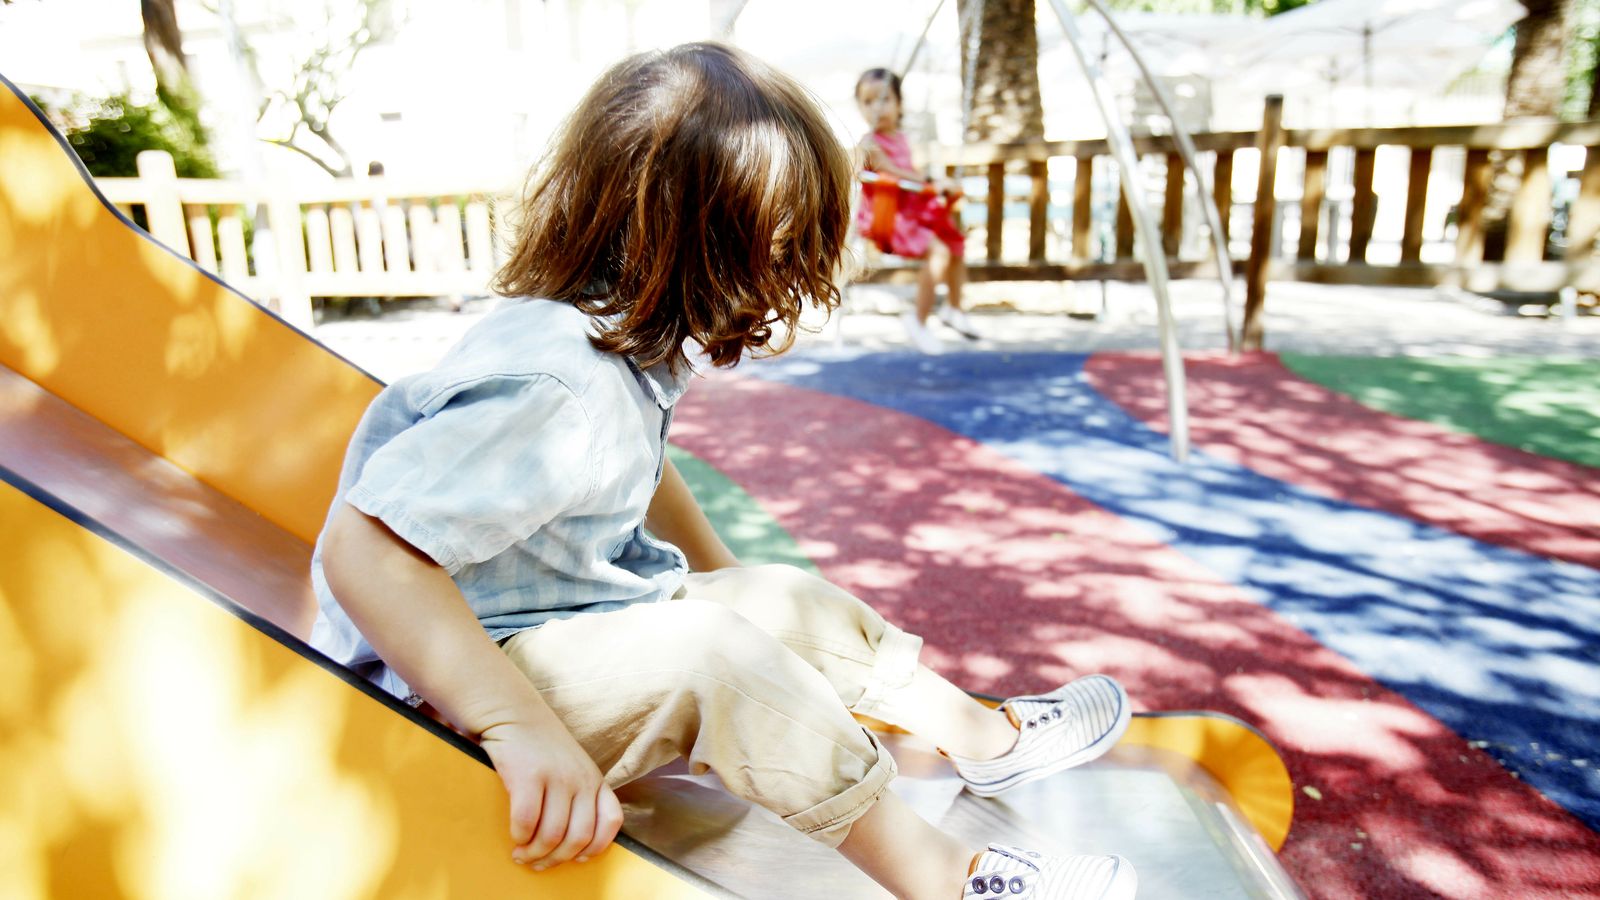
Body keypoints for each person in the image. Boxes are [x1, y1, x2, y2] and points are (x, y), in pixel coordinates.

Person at [311, 43, 1136, 900]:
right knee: (715, 655)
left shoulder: (610, 340)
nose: (784, 274)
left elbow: (636, 461)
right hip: (437, 701)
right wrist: (515, 726)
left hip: (543, 624)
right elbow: (366, 550)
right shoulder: (557, 384)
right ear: (689, 240)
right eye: (773, 249)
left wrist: (741, 593)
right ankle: (949, 880)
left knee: (770, 604)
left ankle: (985, 742)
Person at [855, 67, 977, 355]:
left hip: (909, 213)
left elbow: (911, 173)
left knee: (955, 244)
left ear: (899, 105)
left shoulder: (900, 138)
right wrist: (932, 182)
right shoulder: (869, 144)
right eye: (868, 102)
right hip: (887, 218)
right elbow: (897, 173)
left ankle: (954, 309)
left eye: (884, 100)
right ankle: (917, 320)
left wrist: (934, 183)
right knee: (939, 252)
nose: (876, 108)